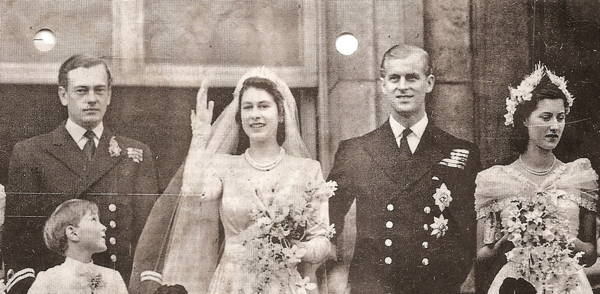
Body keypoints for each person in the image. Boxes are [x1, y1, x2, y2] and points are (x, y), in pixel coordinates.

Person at [130, 67, 332, 294]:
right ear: (240, 116)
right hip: (232, 284)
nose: (255, 114)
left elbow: (322, 240)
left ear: (281, 113)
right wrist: (199, 138)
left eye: (263, 106)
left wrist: (293, 249)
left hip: (283, 285)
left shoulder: (306, 170)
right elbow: (193, 192)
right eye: (248, 107)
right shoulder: (224, 166)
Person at [327, 44, 481, 294]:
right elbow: (327, 221)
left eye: (412, 77)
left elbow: (468, 231)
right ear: (383, 85)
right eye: (394, 78)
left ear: (429, 83)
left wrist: (449, 278)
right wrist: (337, 273)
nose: (402, 86)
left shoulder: (460, 152)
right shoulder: (355, 150)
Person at [3, 55, 159, 294]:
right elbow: (18, 238)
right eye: (81, 91)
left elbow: (148, 238)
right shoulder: (31, 153)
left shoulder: (136, 155)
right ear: (63, 95)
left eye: (99, 90)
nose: (92, 99)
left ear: (109, 95)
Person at [475, 64, 598, 293]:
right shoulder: (495, 180)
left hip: (569, 286)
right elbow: (482, 257)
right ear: (524, 120)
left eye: (560, 118)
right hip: (515, 285)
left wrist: (558, 235)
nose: (555, 126)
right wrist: (511, 238)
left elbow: (590, 254)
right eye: (546, 117)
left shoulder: (578, 175)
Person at [27, 199, 128, 294]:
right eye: (94, 219)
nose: (104, 227)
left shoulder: (113, 278)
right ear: (73, 233)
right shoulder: (48, 280)